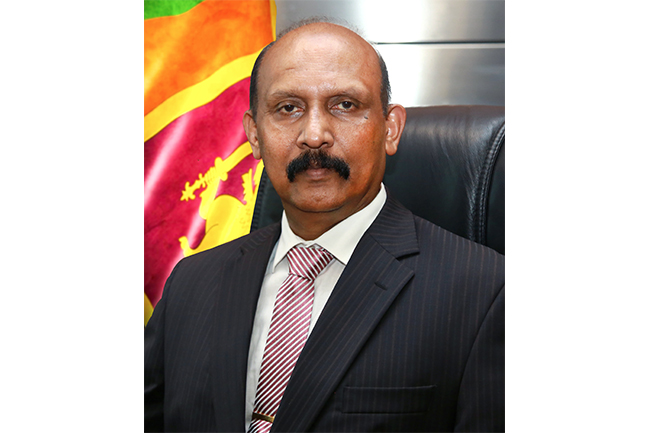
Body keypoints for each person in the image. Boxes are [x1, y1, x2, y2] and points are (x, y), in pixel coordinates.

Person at [145, 19, 505, 433]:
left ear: (390, 129)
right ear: (254, 135)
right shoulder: (192, 282)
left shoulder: (485, 293)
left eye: (345, 105)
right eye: (288, 108)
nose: (314, 135)